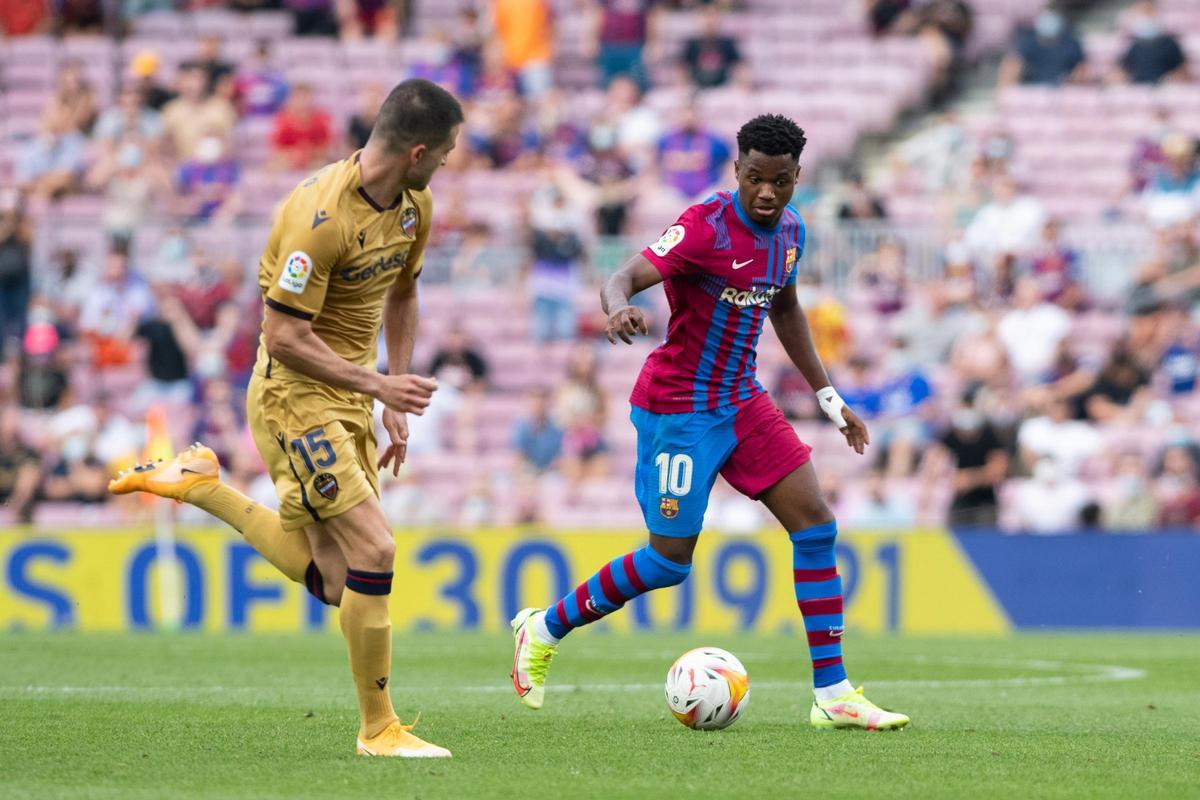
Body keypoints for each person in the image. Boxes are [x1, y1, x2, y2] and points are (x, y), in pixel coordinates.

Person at [509, 114, 910, 731]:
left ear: (798, 176)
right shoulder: (705, 227)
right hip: (678, 407)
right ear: (737, 172)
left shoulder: (792, 232)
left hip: (741, 399)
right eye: (755, 178)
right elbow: (624, 275)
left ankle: (832, 693)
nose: (767, 193)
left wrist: (830, 398)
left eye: (780, 180)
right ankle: (544, 627)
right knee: (670, 562)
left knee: (816, 524)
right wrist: (618, 308)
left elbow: (786, 308)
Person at [108, 78, 463, 758]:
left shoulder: (415, 207)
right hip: (293, 396)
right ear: (417, 151)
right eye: (444, 152)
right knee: (376, 552)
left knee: (336, 582)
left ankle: (203, 485)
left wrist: (391, 395)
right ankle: (379, 729)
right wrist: (379, 384)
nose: (448, 163)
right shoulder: (316, 216)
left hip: (352, 396)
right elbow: (288, 335)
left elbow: (404, 292)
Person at [998, 7, 1086, 88]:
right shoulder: (1028, 41)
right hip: (1032, 88)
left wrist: (1072, 81)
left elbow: (1081, 69)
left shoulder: (1071, 43)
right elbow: (1013, 63)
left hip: (1062, 88)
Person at [1111, 1, 1187, 85]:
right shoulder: (1133, 45)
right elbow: (1124, 71)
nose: (1146, 17)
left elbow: (1183, 72)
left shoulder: (1170, 44)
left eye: (1149, 12)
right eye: (1142, 13)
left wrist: (1171, 79)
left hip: (1164, 91)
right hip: (1138, 91)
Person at [681, 5, 741, 89]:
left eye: (713, 17)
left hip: (723, 89)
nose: (710, 21)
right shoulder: (692, 44)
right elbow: (682, 69)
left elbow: (739, 67)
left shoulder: (727, 43)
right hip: (697, 89)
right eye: (706, 17)